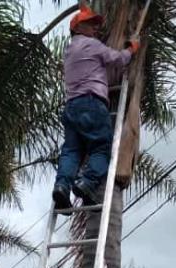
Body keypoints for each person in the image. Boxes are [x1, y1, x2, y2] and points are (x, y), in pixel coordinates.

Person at [52, 3, 140, 211]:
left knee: (72, 151)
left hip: (72, 106)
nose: (95, 28)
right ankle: (88, 183)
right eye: (89, 24)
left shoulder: (69, 49)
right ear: (77, 28)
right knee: (101, 147)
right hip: (92, 103)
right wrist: (131, 49)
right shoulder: (92, 45)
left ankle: (62, 186)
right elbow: (117, 60)